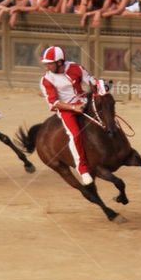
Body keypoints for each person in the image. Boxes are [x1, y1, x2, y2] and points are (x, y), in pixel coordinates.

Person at [39, 46, 101, 186]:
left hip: (84, 101)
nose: (47, 66)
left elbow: (91, 80)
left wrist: (99, 86)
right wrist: (74, 107)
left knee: (105, 117)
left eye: (50, 63)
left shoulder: (76, 67)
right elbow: (54, 103)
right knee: (75, 135)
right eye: (46, 63)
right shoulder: (46, 79)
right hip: (66, 109)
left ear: (60, 62)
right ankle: (83, 169)